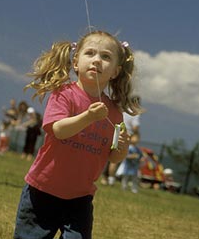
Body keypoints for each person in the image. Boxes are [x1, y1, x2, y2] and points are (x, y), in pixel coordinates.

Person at [13, 30, 143, 239]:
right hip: (43, 190)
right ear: (75, 63)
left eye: (106, 56)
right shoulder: (64, 94)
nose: (97, 60)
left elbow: (113, 157)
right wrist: (88, 117)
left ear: (116, 72)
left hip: (80, 198)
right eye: (90, 53)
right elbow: (58, 130)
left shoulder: (115, 112)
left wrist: (122, 147)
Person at [101, 95, 143, 185]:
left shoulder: (124, 109)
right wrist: (137, 135)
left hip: (115, 131)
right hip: (125, 134)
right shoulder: (134, 112)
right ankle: (111, 179)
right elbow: (135, 127)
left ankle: (105, 178)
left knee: (109, 155)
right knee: (117, 157)